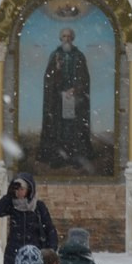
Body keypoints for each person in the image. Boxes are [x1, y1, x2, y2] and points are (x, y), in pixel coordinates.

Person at [38, 26, 94, 170]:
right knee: (58, 128)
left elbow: (84, 78)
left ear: (72, 38)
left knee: (75, 129)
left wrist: (75, 89)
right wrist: (56, 69)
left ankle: (75, 157)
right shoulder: (55, 55)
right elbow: (48, 79)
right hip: (57, 101)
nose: (66, 39)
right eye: (64, 36)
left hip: (75, 100)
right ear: (60, 38)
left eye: (69, 36)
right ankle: (58, 157)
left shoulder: (79, 56)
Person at [0, 173, 58, 259]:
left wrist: (51, 250)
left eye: (22, 189)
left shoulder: (38, 206)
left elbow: (49, 229)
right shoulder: (12, 205)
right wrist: (9, 195)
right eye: (17, 189)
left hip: (35, 252)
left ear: (29, 190)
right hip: (14, 252)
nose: (19, 192)